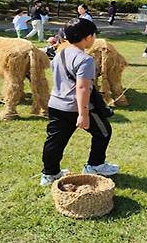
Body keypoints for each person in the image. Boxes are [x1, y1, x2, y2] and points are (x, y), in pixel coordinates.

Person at [40, 18, 119, 186]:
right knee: (104, 132)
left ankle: (50, 174)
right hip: (76, 107)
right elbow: (82, 88)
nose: (94, 38)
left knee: (55, 141)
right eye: (94, 35)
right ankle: (95, 165)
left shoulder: (60, 52)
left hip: (56, 104)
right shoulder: (85, 59)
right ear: (87, 37)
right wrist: (83, 114)